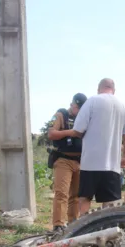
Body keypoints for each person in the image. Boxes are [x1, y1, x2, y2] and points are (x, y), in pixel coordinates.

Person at [59, 78, 125, 214]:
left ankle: (84, 228)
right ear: (114, 90)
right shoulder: (123, 106)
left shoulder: (92, 101)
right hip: (112, 165)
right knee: (109, 203)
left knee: (85, 199)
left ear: (99, 89)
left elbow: (77, 130)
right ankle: (108, 230)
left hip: (90, 163)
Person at [47, 93, 87, 233]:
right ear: (72, 105)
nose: (80, 112)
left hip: (80, 161)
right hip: (63, 159)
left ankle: (73, 224)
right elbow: (51, 134)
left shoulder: (84, 118)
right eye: (78, 108)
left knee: (76, 195)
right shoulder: (61, 114)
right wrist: (70, 132)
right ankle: (58, 224)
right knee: (62, 193)